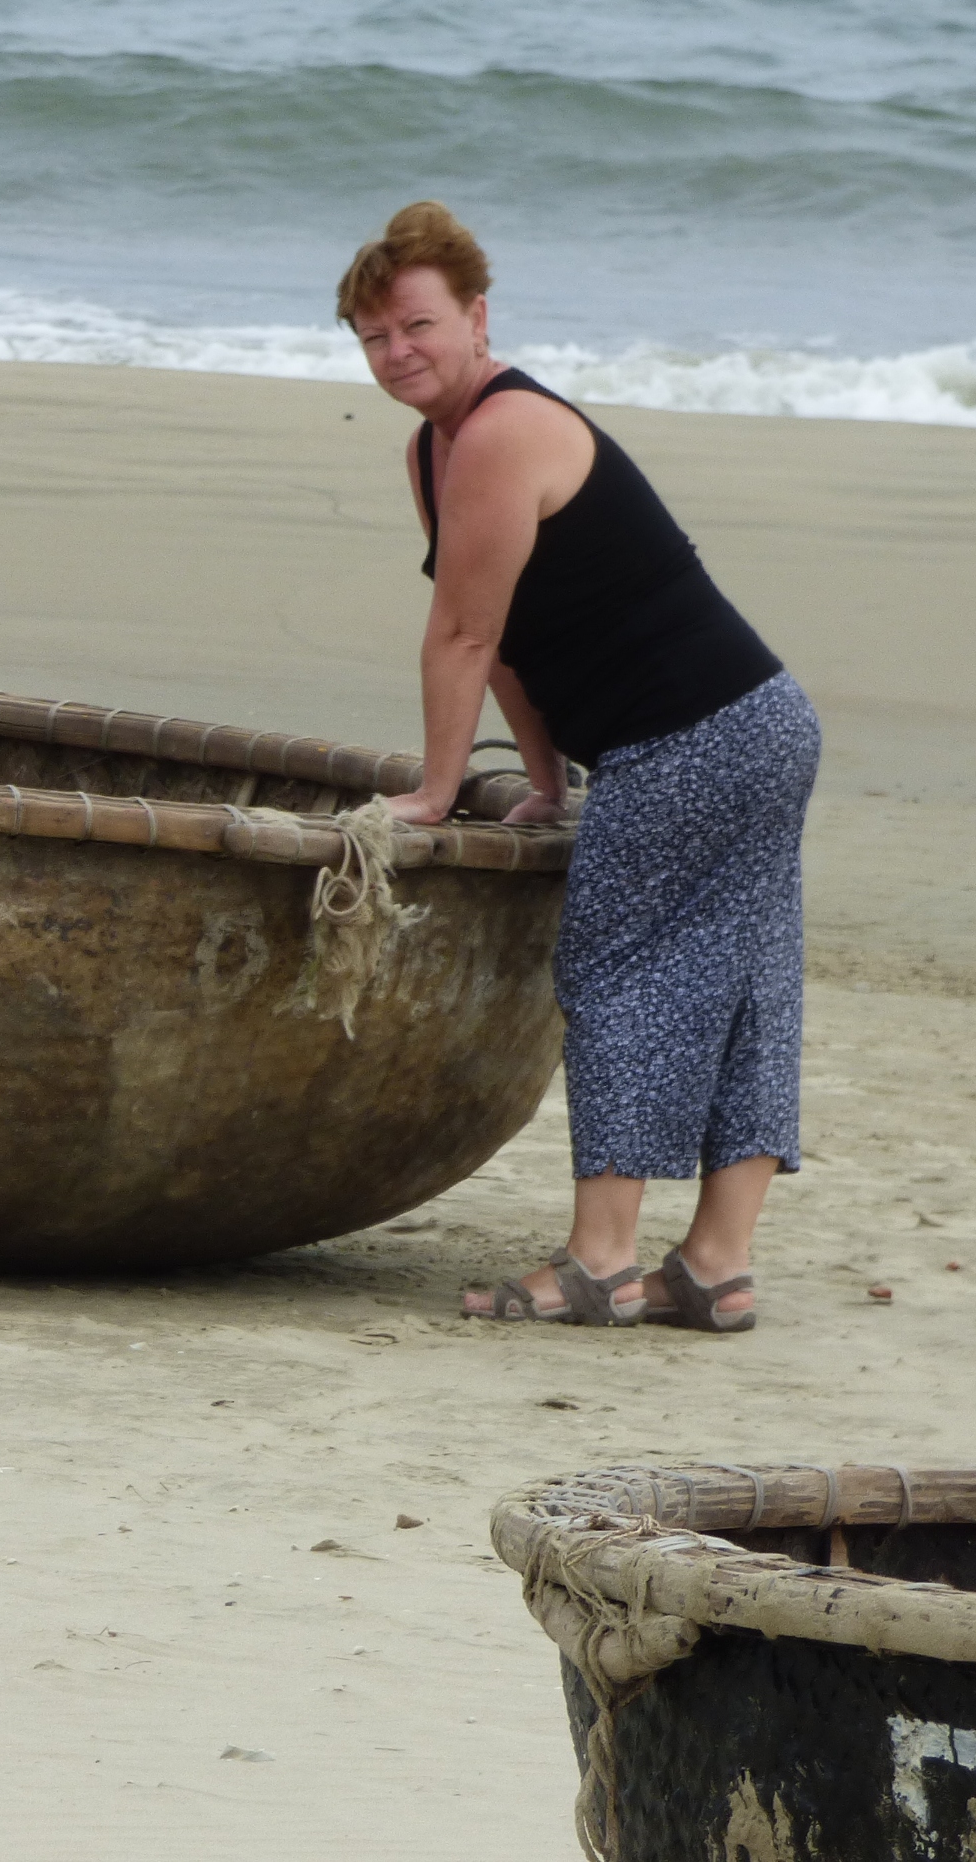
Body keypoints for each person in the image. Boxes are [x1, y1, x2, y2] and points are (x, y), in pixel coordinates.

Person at [339, 201, 820, 1332]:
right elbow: (506, 640)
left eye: (415, 325)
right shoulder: (433, 449)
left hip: (700, 732)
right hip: (752, 723)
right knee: (746, 985)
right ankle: (713, 1267)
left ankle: (600, 1261)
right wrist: (546, 782)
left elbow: (456, 635)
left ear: (475, 316)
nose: (395, 352)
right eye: (371, 339)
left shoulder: (505, 428)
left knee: (612, 971)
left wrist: (433, 787)